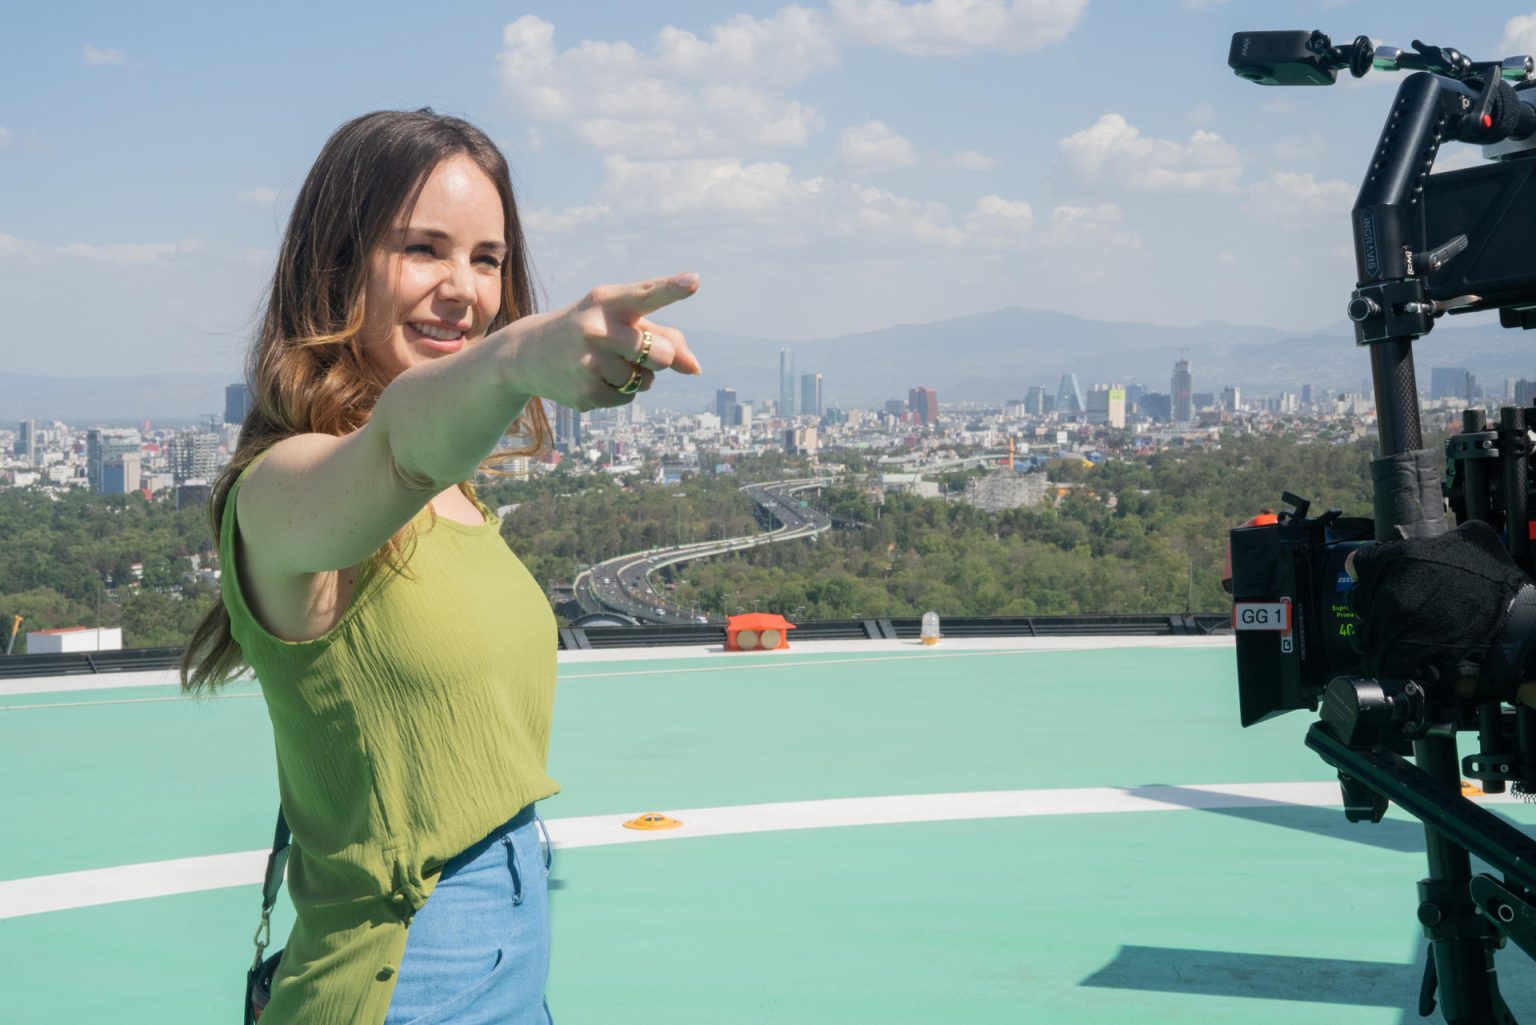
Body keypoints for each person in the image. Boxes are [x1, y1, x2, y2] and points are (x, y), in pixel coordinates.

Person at [179, 109, 700, 1025]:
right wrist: (521, 358)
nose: (464, 288)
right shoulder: (281, 492)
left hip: (512, 977)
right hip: (401, 989)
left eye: (489, 259)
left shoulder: (457, 495)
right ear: (337, 266)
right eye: (424, 249)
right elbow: (391, 449)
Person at [1345, 519, 1536, 708]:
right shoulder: (1411, 555)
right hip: (1519, 603)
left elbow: (1467, 686)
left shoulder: (1393, 665)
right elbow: (1352, 563)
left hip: (1514, 653)